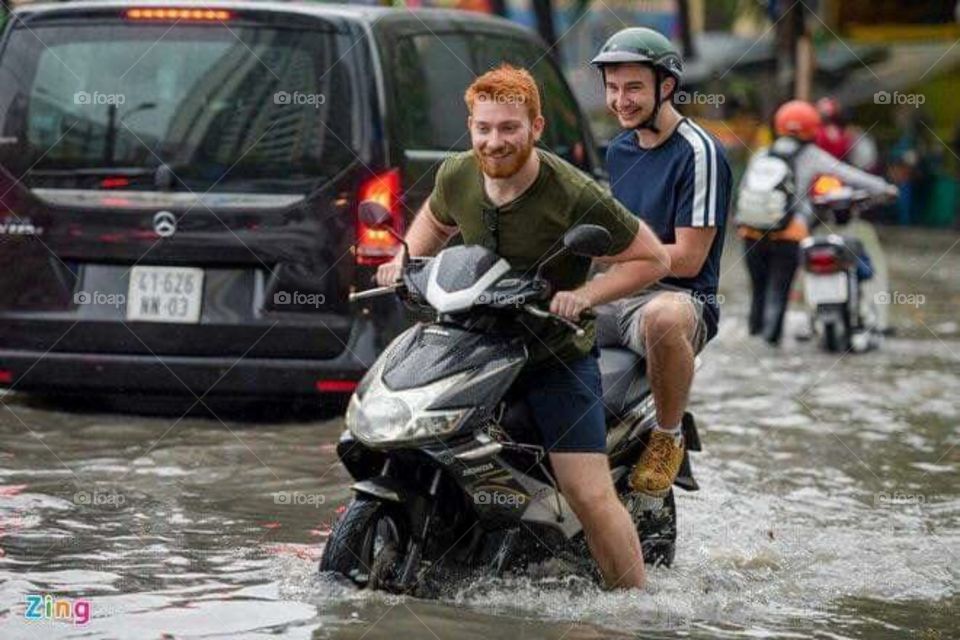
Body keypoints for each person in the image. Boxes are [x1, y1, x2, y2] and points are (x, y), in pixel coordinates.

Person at [375, 65, 670, 589]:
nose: (495, 141)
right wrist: (406, 260)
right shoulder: (457, 173)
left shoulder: (572, 191)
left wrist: (583, 295)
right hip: (470, 344)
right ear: (470, 126)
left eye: (509, 128)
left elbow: (650, 258)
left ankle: (635, 603)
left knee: (588, 490)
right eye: (484, 128)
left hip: (552, 356)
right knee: (399, 433)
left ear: (536, 127)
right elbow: (436, 218)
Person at [589, 27, 732, 498]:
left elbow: (689, 260)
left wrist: (604, 252)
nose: (620, 100)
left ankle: (668, 438)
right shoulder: (618, 149)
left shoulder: (700, 152)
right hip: (619, 289)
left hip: (680, 296)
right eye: (612, 88)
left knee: (662, 317)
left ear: (665, 87)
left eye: (633, 88)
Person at [735, 100, 897, 345]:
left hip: (751, 232)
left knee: (758, 291)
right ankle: (770, 342)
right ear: (812, 128)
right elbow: (848, 175)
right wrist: (885, 187)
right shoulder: (812, 156)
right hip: (789, 234)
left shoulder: (761, 153)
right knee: (778, 292)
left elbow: (744, 191)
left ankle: (754, 340)